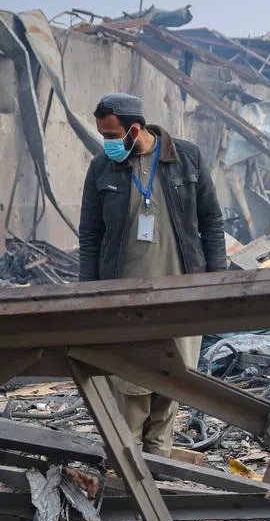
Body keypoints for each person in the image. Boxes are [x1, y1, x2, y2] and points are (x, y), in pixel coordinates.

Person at [78, 92, 226, 456]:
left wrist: (217, 284)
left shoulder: (187, 158)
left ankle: (158, 464)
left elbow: (211, 222)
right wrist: (89, 295)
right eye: (103, 136)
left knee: (173, 380)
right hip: (124, 298)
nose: (108, 143)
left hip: (181, 293)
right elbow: (91, 235)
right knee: (129, 382)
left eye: (113, 136)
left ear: (136, 128)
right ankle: (127, 465)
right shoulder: (102, 169)